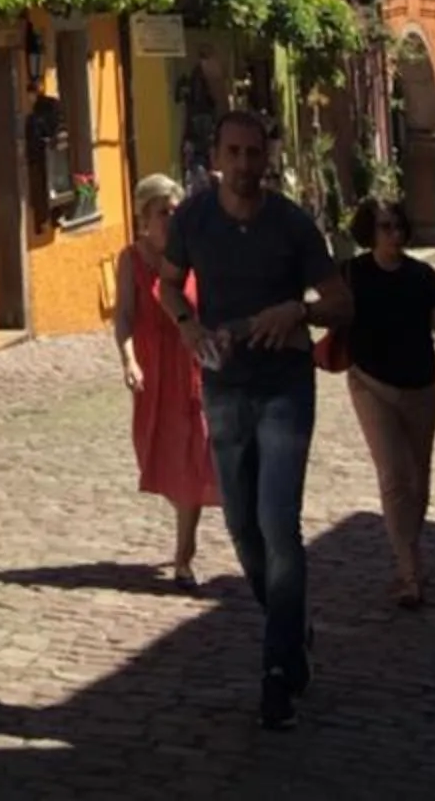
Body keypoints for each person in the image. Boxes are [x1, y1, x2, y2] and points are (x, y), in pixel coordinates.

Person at [156, 109, 352, 734]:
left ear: (266, 157)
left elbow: (341, 303)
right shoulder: (192, 219)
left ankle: (275, 675)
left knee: (278, 523)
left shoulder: (292, 224)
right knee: (242, 529)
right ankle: (291, 629)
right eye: (233, 153)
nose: (244, 164)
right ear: (216, 156)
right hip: (223, 387)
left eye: (253, 153)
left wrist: (296, 308)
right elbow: (167, 286)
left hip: (284, 387)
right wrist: (187, 328)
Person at [342, 197, 435, 606]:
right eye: (385, 227)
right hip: (370, 384)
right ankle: (410, 571)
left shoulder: (424, 277)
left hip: (421, 390)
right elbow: (327, 309)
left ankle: (408, 555)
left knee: (418, 480)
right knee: (395, 475)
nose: (394, 234)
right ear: (370, 231)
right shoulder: (351, 274)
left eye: (398, 226)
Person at [114, 173, 220, 584]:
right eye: (162, 214)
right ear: (145, 217)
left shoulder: (193, 256)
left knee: (194, 455)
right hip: (153, 374)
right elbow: (123, 315)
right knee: (159, 451)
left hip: (192, 370)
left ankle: (183, 556)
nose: (169, 221)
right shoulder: (131, 259)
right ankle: (183, 531)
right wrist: (128, 361)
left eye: (175, 213)